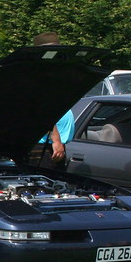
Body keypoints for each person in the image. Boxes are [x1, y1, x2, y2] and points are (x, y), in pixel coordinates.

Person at [32, 31, 74, 165]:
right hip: (45, 145)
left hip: (54, 145)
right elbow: (42, 110)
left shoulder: (52, 74)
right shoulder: (40, 76)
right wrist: (56, 140)